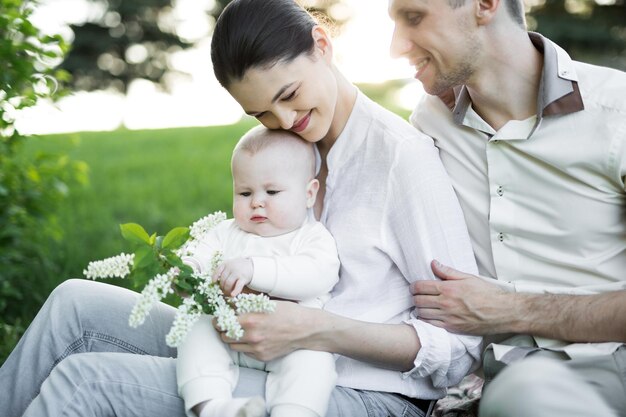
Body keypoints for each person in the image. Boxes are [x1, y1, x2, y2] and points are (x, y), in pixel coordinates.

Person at [0, 1, 482, 416]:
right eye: (262, 114)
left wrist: (318, 330)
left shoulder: (402, 159)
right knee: (73, 306)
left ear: (322, 44)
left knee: (87, 381)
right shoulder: (283, 151)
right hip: (252, 354)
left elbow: (461, 352)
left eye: (289, 95)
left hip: (361, 393)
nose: (287, 122)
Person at [387, 0, 626, 416]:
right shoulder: (429, 125)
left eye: (414, 17)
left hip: (603, 370)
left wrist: (510, 309)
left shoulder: (617, 113)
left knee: (528, 392)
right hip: (484, 383)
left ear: (484, 5)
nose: (396, 46)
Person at [177, 125, 340, 417]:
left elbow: (318, 274)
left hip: (293, 342)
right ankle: (211, 406)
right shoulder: (225, 232)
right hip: (227, 331)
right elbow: (196, 252)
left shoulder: (312, 237)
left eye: (272, 191)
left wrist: (254, 269)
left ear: (308, 193)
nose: (257, 202)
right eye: (244, 192)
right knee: (195, 327)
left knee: (314, 364)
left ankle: (293, 412)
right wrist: (186, 271)